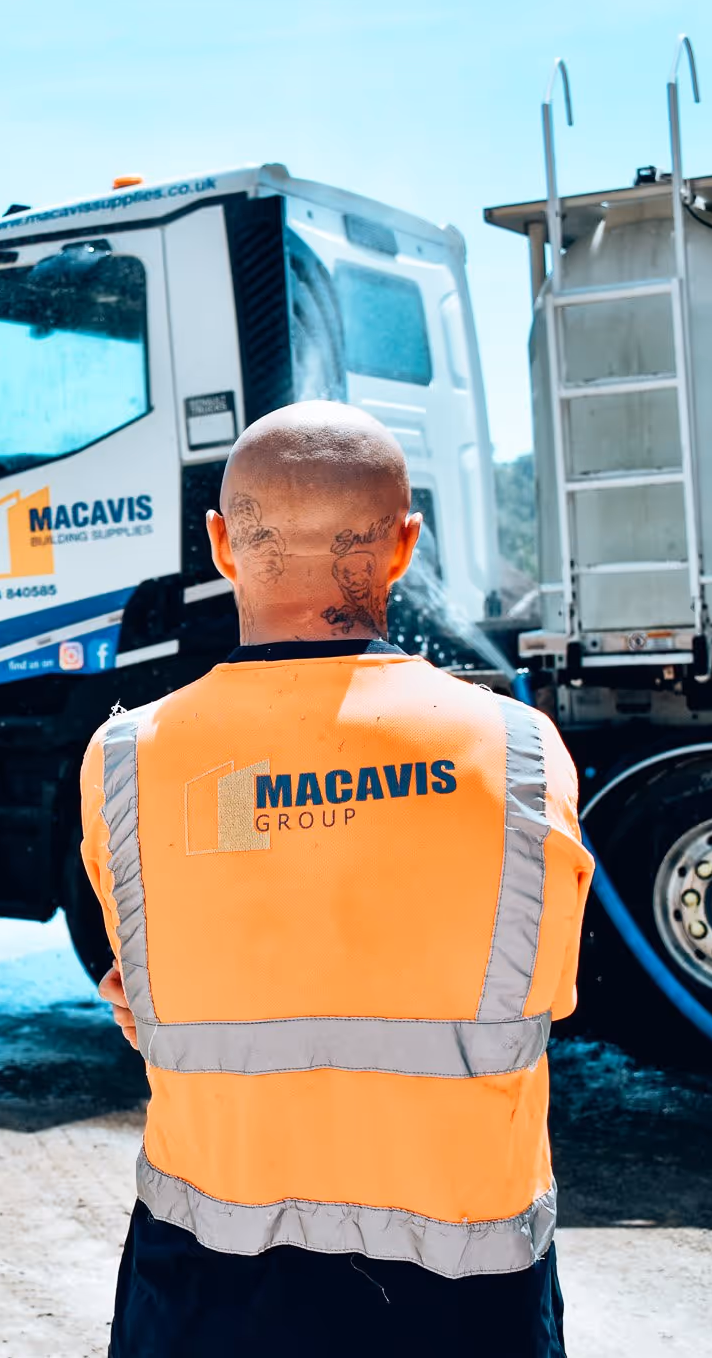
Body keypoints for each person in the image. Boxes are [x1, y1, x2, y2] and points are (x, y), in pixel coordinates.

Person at [78, 401, 593, 1357]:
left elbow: (142, 993)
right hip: (468, 1290)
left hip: (207, 1280)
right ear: (405, 546)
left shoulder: (126, 761)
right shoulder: (523, 754)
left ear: (224, 546)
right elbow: (544, 992)